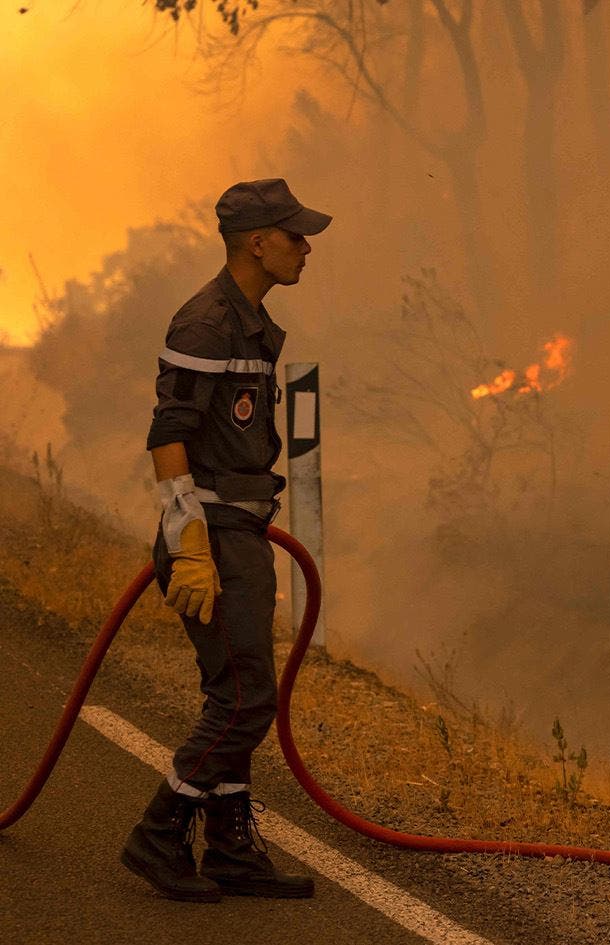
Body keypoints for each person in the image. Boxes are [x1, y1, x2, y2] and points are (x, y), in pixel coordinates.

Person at [120, 178, 330, 902]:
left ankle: (230, 847)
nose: (306, 248)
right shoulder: (206, 325)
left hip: (241, 530)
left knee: (235, 690)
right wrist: (190, 546)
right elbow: (168, 438)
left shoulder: (251, 325)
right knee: (245, 700)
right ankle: (159, 831)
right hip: (212, 537)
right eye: (295, 235)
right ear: (257, 242)